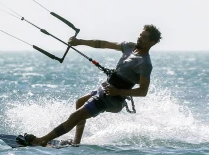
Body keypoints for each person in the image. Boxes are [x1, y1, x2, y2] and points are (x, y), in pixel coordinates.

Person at [23, 24, 162, 146]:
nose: (140, 38)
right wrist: (79, 42)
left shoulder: (144, 63)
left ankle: (42, 140)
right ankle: (76, 142)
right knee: (80, 102)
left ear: (152, 42)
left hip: (112, 99)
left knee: (75, 117)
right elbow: (102, 44)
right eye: (140, 35)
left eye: (144, 37)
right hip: (105, 90)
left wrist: (118, 91)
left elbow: (143, 91)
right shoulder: (129, 47)